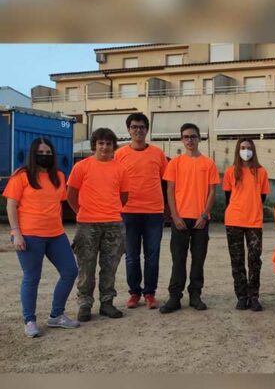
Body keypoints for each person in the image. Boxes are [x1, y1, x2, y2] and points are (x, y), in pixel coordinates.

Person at [4, 138, 80, 337]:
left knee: (70, 271)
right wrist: (16, 233)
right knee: (32, 278)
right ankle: (29, 320)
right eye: (41, 152)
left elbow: (59, 204)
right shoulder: (21, 176)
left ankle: (57, 315)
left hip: (56, 235)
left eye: (48, 153)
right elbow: (11, 205)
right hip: (29, 236)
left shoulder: (59, 177)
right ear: (33, 154)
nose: (44, 156)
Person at [67, 128, 130, 321]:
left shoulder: (120, 168)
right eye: (101, 143)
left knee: (110, 265)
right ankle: (85, 304)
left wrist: (111, 211)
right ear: (94, 145)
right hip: (87, 224)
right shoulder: (81, 167)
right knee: (86, 266)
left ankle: (107, 303)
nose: (104, 147)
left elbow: (124, 196)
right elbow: (71, 194)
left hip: (113, 223)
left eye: (108, 143)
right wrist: (82, 212)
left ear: (113, 146)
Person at [159, 123, 220, 314]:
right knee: (178, 259)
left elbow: (212, 192)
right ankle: (174, 297)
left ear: (199, 139)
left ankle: (195, 295)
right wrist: (174, 216)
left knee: (198, 259)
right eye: (186, 137)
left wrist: (204, 215)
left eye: (193, 137)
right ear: (181, 140)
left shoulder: (208, 163)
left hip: (201, 219)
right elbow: (169, 190)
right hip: (180, 219)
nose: (190, 140)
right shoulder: (175, 163)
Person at [114, 113, 168, 310]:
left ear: (147, 130)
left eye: (142, 127)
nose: (138, 130)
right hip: (128, 212)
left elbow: (167, 182)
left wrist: (168, 208)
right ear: (128, 129)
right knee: (131, 255)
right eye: (134, 127)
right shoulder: (119, 155)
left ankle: (150, 293)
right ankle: (135, 292)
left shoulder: (157, 153)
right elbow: (114, 183)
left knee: (152, 255)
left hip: (154, 212)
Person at [222, 138, 270, 311]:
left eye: (249, 148)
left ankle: (254, 297)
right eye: (243, 148)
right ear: (238, 150)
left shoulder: (261, 172)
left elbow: (262, 197)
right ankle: (241, 297)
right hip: (234, 220)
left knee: (254, 259)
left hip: (254, 222)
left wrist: (253, 208)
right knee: (237, 260)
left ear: (254, 150)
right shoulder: (230, 171)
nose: (246, 151)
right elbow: (228, 197)